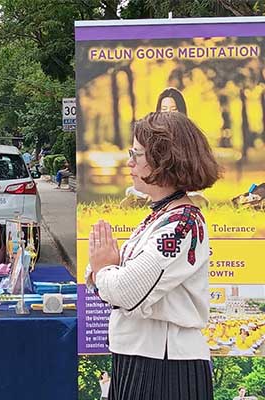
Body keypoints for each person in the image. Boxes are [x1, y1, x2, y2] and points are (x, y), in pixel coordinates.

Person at [87, 112, 220, 399]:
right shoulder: (163, 216)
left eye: (136, 154)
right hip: (143, 357)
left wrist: (103, 272)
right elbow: (110, 279)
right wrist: (103, 272)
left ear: (164, 160)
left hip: (164, 367)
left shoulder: (182, 224)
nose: (129, 162)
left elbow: (125, 290)